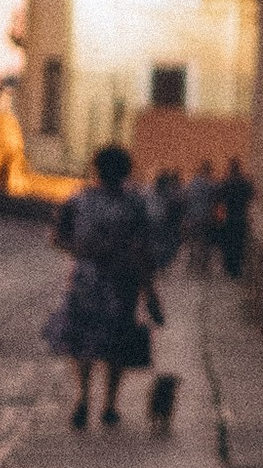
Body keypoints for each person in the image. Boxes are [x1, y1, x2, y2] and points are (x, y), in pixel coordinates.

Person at [43, 144, 164, 429]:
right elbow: (143, 250)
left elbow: (56, 236)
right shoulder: (134, 204)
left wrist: (82, 250)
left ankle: (83, 398)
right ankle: (110, 404)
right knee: (116, 343)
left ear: (95, 169)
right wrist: (151, 293)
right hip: (122, 280)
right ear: (126, 170)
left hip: (87, 279)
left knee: (82, 339)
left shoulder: (79, 200)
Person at [216, 159, 252, 281]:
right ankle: (236, 268)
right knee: (238, 244)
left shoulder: (227, 183)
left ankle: (230, 267)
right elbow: (251, 195)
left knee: (228, 244)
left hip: (229, 218)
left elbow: (219, 198)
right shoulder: (244, 183)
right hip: (241, 218)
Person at [179, 162, 218, 277]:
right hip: (206, 217)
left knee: (193, 242)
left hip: (192, 217)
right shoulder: (211, 185)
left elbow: (185, 200)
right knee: (205, 243)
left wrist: (185, 218)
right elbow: (214, 200)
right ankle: (203, 267)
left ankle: (192, 266)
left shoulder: (192, 183)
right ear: (208, 171)